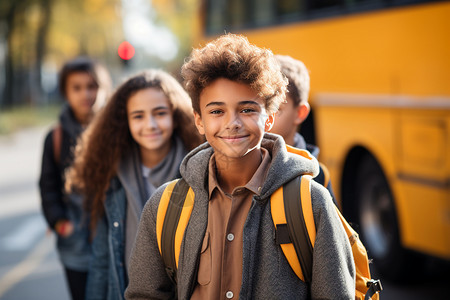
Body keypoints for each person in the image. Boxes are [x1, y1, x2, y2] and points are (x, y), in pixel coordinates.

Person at [125, 34, 355, 299]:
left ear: (269, 118)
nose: (232, 122)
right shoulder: (164, 206)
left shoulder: (311, 203)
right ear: (198, 121)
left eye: (247, 110)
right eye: (216, 111)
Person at [66, 69, 204, 300]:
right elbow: (102, 260)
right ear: (125, 121)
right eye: (138, 116)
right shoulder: (110, 177)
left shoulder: (200, 172)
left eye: (159, 113)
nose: (150, 125)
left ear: (175, 114)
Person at [39, 56, 111, 300]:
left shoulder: (117, 132)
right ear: (65, 92)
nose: (85, 94)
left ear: (104, 89)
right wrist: (59, 222)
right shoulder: (56, 138)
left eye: (92, 86)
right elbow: (47, 186)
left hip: (114, 237)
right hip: (75, 241)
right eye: (77, 88)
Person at [270, 54, 336, 203]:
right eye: (258, 108)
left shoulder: (317, 176)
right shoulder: (248, 166)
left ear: (300, 113)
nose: (263, 119)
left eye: (275, 109)